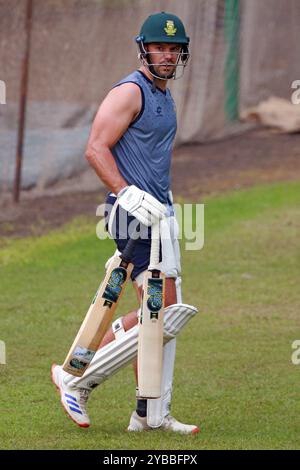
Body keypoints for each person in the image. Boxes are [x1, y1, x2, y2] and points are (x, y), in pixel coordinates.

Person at [51, 11, 199, 434]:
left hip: (162, 214)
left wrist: (164, 203)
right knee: (163, 312)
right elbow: (96, 148)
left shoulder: (164, 93)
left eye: (174, 49)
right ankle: (76, 380)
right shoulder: (129, 92)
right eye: (160, 47)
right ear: (144, 49)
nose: (167, 55)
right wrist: (127, 192)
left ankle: (150, 413)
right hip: (132, 214)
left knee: (165, 311)